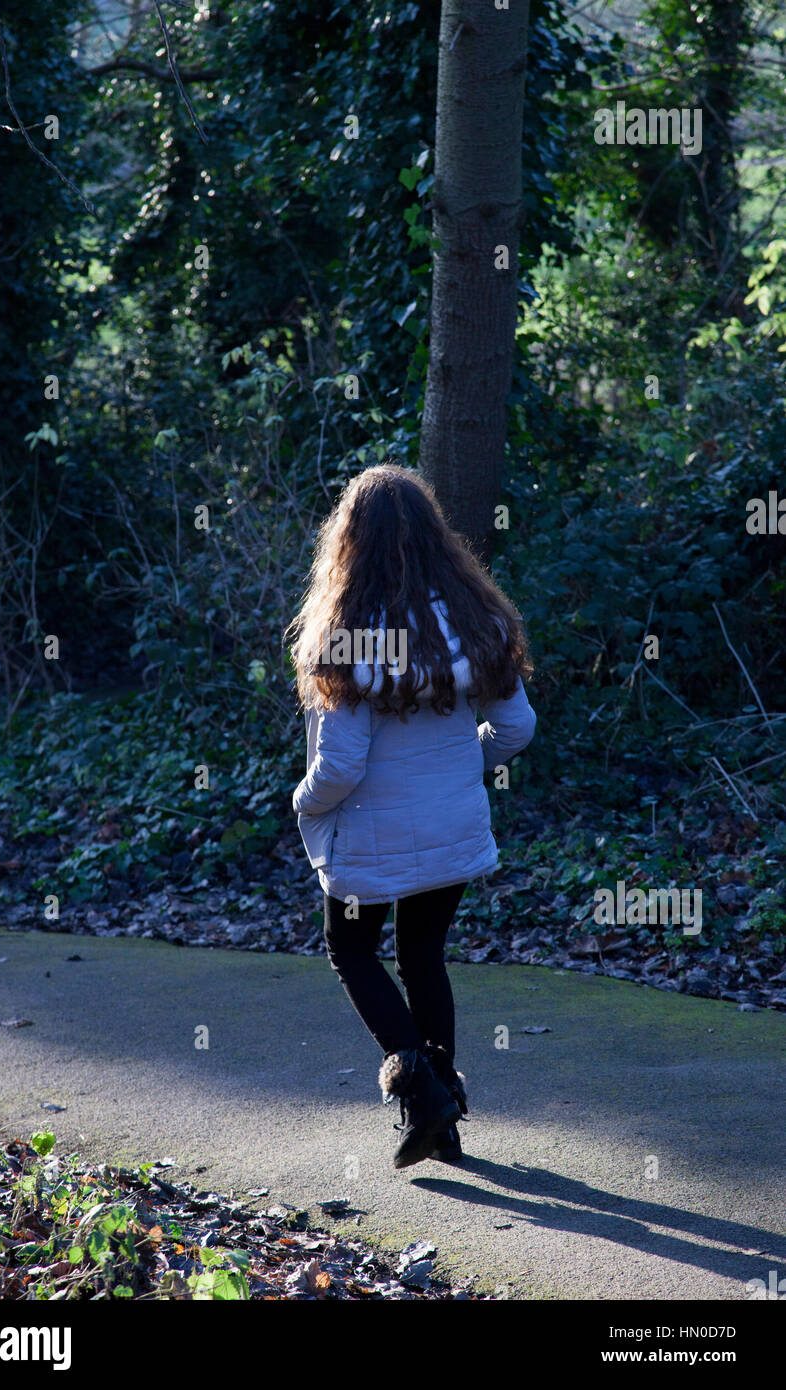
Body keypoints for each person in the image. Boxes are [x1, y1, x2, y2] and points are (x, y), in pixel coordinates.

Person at [286, 464, 537, 1169]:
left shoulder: (348, 637)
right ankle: (446, 1119)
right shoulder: (477, 620)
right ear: (436, 536)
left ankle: (424, 1097)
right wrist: (464, 767)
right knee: (423, 954)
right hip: (453, 831)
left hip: (370, 838)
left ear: (350, 543)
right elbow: (516, 731)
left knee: (352, 951)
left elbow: (341, 767)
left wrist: (303, 804)